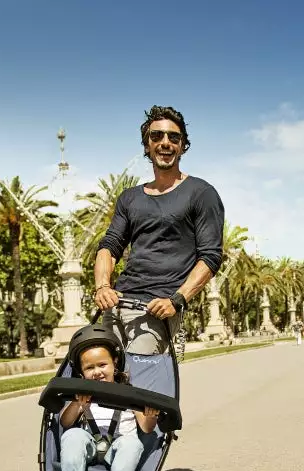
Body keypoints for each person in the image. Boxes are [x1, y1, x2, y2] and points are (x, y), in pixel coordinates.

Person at [94, 105, 224, 354]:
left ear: (183, 145)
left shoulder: (201, 193)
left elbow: (211, 256)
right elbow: (109, 247)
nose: (165, 142)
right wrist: (102, 287)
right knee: (101, 380)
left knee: (136, 380)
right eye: (157, 136)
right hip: (117, 303)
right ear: (147, 145)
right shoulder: (129, 197)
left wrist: (177, 300)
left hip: (157, 309)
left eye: (173, 137)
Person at [58, 326, 159, 471]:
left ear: (114, 363)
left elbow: (146, 429)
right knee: (73, 435)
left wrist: (151, 415)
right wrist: (78, 404)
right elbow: (65, 422)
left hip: (118, 449)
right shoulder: (82, 394)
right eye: (89, 368)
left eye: (102, 365)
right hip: (90, 447)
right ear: (81, 372)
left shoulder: (131, 394)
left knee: (133, 444)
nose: (97, 372)